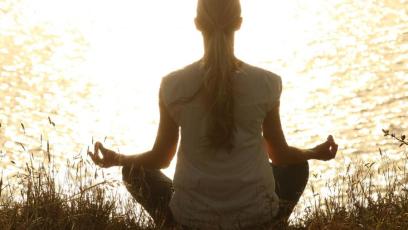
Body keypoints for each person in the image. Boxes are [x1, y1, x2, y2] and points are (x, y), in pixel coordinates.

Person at [88, 0, 338, 229]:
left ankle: (173, 226)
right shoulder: (267, 83)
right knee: (296, 167)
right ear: (239, 23)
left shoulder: (173, 85)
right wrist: (313, 153)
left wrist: (117, 158)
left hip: (192, 218)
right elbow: (280, 155)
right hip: (255, 214)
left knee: (133, 170)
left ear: (197, 24)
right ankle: (270, 224)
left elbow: (161, 158)